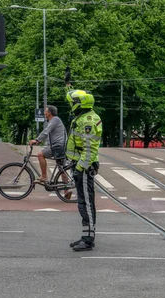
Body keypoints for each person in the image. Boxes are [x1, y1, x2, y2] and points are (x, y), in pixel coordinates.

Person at [65, 90, 102, 252]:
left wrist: (80, 169)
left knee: (86, 203)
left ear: (79, 104)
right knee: (83, 202)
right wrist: (68, 84)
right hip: (80, 164)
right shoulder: (83, 116)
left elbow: (89, 149)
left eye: (73, 103)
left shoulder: (88, 122)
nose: (71, 106)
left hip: (84, 167)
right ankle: (86, 236)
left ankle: (88, 240)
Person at [28, 106, 67, 183]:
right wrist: (39, 141)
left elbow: (46, 131)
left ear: (49, 112)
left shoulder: (55, 119)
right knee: (61, 168)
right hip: (61, 146)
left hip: (57, 146)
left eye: (45, 111)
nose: (44, 113)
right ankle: (67, 190)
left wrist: (36, 140)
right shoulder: (55, 120)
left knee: (40, 155)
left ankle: (44, 176)